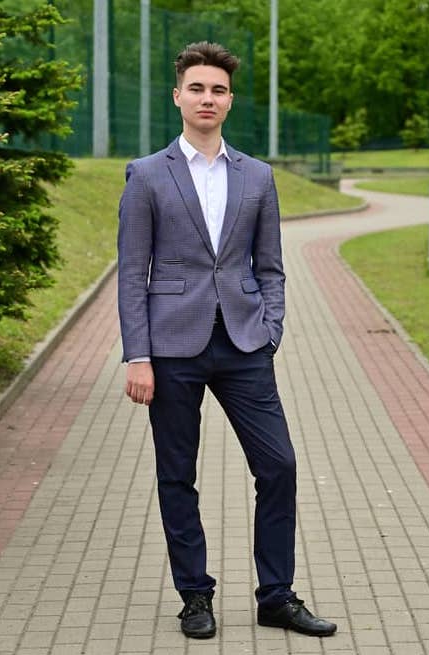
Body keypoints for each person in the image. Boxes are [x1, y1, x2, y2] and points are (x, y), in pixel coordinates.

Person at [117, 41, 337, 640]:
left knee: (280, 466)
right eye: (197, 88)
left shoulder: (258, 177)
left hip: (244, 345)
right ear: (178, 96)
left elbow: (271, 266)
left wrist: (271, 330)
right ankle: (195, 597)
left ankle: (275, 595)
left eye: (217, 90)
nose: (207, 98)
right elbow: (132, 271)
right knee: (176, 475)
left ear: (229, 100)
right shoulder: (146, 175)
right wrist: (138, 356)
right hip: (170, 349)